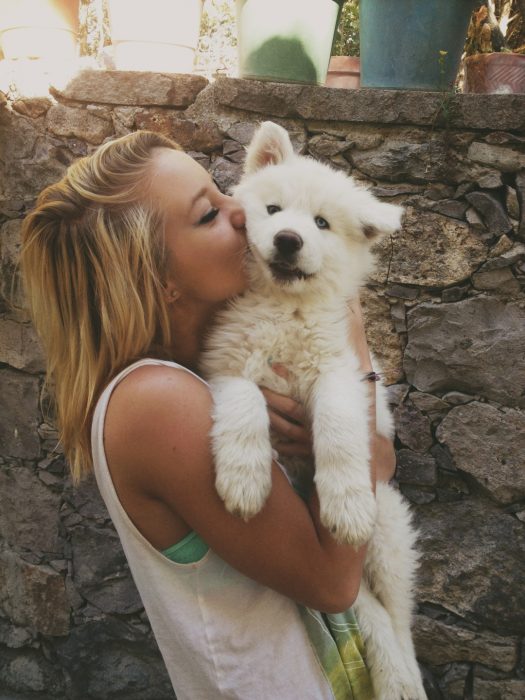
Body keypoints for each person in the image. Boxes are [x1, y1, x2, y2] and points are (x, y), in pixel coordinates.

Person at [21, 130, 396, 699]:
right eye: (208, 215)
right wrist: (353, 338)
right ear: (161, 280)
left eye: (223, 194)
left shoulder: (203, 367)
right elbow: (334, 580)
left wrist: (355, 422)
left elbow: (380, 462)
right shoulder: (156, 402)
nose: (243, 211)